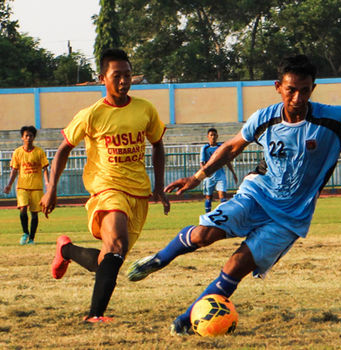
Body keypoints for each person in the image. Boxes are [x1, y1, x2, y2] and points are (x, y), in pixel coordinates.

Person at [125, 54, 341, 335]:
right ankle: (158, 259)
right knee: (205, 234)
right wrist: (198, 176)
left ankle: (187, 318)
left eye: (305, 90)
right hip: (256, 195)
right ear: (279, 86)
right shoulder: (265, 118)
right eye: (291, 89)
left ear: (313, 88)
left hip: (290, 217)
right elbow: (233, 146)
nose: (298, 97)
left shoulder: (332, 120)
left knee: (236, 266)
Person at [40, 48, 170, 323]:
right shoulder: (91, 114)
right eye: (117, 76)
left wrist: (159, 185)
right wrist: (51, 188)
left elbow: (158, 144)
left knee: (111, 256)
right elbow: (64, 149)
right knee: (116, 246)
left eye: (127, 75)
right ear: (102, 78)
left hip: (138, 192)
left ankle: (66, 250)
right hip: (106, 188)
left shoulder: (145, 109)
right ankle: (94, 316)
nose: (123, 81)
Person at [3, 126, 50, 245]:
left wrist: (47, 182)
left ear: (34, 137)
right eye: (26, 136)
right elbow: (14, 170)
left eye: (31, 136)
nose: (28, 138)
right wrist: (9, 185)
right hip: (22, 186)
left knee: (34, 213)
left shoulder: (39, 152)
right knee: (23, 209)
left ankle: (31, 239)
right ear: (22, 137)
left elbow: (45, 168)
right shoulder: (17, 152)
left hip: (36, 187)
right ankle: (25, 233)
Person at [200, 128, 238, 213]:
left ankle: (223, 215)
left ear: (217, 136)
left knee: (222, 196)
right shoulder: (205, 148)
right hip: (209, 176)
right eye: (211, 135)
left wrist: (233, 173)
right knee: (209, 197)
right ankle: (208, 216)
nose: (213, 137)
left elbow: (227, 161)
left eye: (214, 135)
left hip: (220, 175)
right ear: (208, 137)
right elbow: (202, 163)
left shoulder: (221, 147)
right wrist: (204, 174)